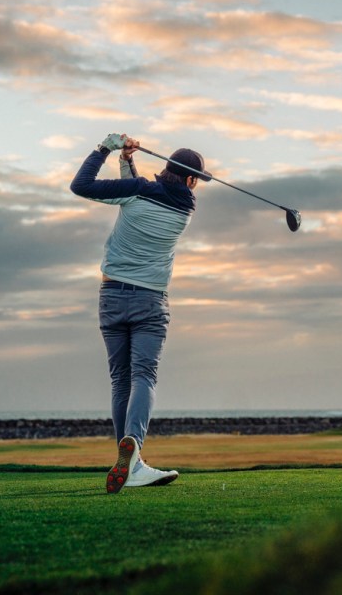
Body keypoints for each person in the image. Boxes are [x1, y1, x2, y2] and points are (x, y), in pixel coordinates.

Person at [70, 133, 211, 493]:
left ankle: (130, 462)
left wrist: (105, 148)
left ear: (166, 169)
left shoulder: (137, 190)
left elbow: (82, 185)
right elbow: (139, 190)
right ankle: (133, 450)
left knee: (120, 379)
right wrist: (127, 162)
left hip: (111, 297)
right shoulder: (184, 209)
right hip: (150, 302)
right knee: (143, 376)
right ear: (191, 181)